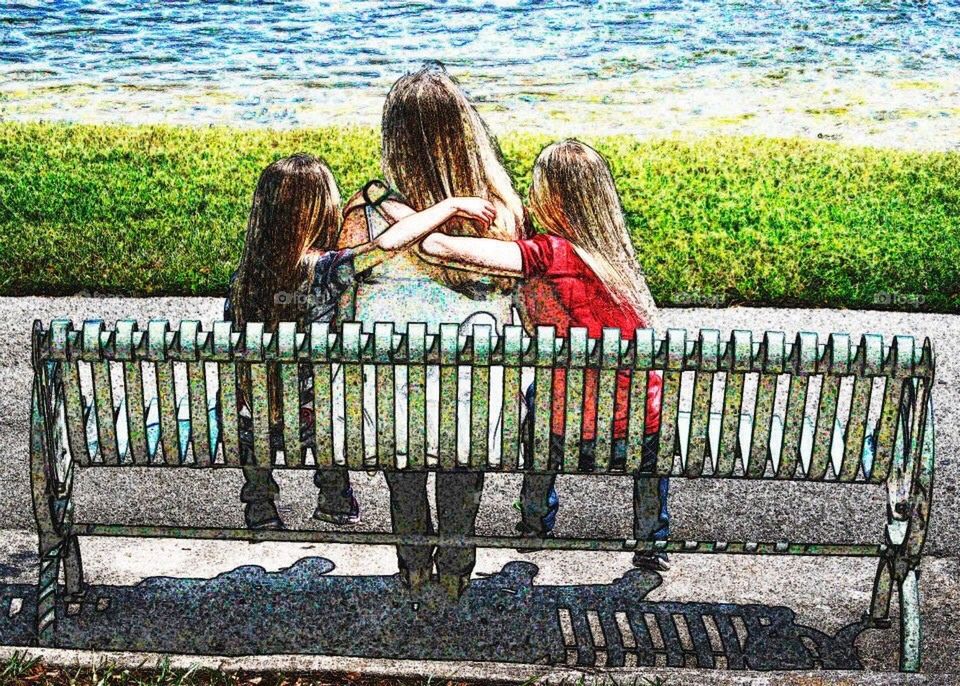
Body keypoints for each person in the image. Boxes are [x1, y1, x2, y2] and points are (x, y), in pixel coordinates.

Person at [418, 139, 669, 571]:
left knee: (542, 397)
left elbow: (436, 248)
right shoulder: (617, 261)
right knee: (632, 402)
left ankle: (534, 523)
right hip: (638, 430)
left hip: (569, 429)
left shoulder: (548, 254)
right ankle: (652, 540)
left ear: (549, 196)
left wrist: (446, 209)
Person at [225, 152, 495, 530]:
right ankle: (334, 495)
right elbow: (386, 245)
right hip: (314, 419)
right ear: (321, 210)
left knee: (263, 401)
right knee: (330, 394)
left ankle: (260, 502)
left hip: (251, 419)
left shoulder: (245, 277)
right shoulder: (324, 270)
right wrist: (449, 206)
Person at [346, 64, 528, 601]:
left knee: (402, 455)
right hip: (474, 402)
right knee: (461, 450)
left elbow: (346, 287)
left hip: (390, 402)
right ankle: (455, 566)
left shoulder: (367, 212)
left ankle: (413, 564)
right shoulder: (500, 214)